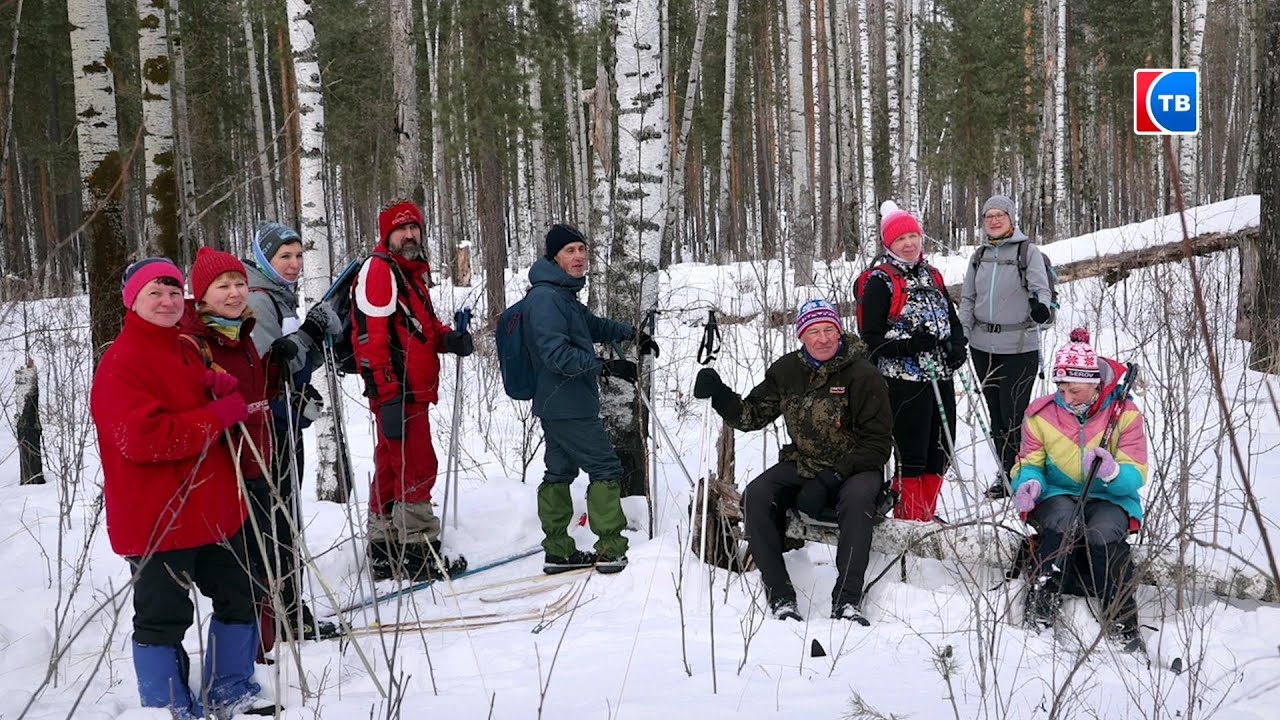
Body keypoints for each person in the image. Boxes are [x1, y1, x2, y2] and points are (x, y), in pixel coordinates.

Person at [91, 257, 275, 718]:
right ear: (132, 300)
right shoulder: (121, 362)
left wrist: (217, 384)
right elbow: (143, 439)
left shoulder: (187, 348)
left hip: (212, 507)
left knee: (239, 594)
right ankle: (167, 705)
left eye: (174, 291)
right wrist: (217, 415)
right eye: (155, 292)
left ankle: (230, 686)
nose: (168, 301)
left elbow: (196, 385)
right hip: (159, 515)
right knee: (162, 616)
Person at [692, 299, 892, 623]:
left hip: (855, 466)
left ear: (839, 332)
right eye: (814, 331)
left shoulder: (862, 373)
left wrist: (832, 478)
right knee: (757, 495)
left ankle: (847, 600)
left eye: (829, 330)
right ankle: (781, 596)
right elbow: (751, 415)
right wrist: (720, 395)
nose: (823, 338)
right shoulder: (787, 371)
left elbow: (878, 443)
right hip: (804, 463)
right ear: (802, 336)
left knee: (857, 502)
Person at [523, 223, 658, 575]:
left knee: (560, 471)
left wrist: (631, 334)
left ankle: (558, 551)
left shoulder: (560, 295)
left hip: (559, 403)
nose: (579, 256)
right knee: (605, 469)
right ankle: (611, 548)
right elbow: (556, 354)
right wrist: (604, 366)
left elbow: (591, 326)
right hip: (568, 403)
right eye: (570, 251)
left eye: (582, 249)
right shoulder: (546, 299)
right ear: (554, 256)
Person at [351, 199, 473, 581]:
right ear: (386, 235)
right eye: (400, 229)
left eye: (413, 228)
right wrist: (386, 393)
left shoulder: (410, 274)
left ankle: (384, 548)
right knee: (417, 467)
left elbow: (422, 326)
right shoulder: (380, 270)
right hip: (398, 392)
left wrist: (449, 339)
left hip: (407, 389)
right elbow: (371, 339)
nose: (409, 234)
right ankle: (420, 555)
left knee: (391, 466)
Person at [1010, 328, 1147, 649]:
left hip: (1111, 496)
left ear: (1095, 382)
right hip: (1058, 492)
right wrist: (1028, 481)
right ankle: (1040, 612)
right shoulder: (1041, 413)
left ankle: (1123, 625)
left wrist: (1113, 473)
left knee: (1103, 535)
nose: (1066, 398)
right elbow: (1028, 462)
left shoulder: (1124, 414)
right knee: (1060, 524)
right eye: (1061, 389)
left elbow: (1137, 472)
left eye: (1074, 390)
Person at [241, 222, 342, 641]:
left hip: (282, 423)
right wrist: (309, 335)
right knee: (278, 519)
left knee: (286, 516)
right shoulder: (260, 300)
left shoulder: (276, 296)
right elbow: (271, 368)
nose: (295, 264)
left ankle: (283, 610)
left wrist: (314, 338)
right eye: (285, 256)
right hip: (269, 427)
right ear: (265, 258)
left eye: (299, 256)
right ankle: (281, 614)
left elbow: (294, 361)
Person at [856, 201, 967, 522]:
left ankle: (925, 514)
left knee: (941, 450)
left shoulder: (932, 275)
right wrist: (909, 346)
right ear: (889, 244)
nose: (908, 243)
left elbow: (951, 318)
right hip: (903, 383)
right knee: (912, 454)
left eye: (913, 236)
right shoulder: (879, 281)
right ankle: (909, 520)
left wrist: (957, 346)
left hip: (940, 375)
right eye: (900, 239)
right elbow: (871, 341)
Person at [958, 194, 1054, 499]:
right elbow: (968, 299)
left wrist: (1041, 307)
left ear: (1012, 219)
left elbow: (1042, 290)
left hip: (1018, 347)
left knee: (1015, 415)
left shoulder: (1028, 252)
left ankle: (1019, 472)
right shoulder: (978, 256)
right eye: (989, 216)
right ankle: (1007, 470)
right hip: (982, 347)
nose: (995, 220)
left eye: (1000, 215)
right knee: (996, 415)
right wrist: (962, 332)